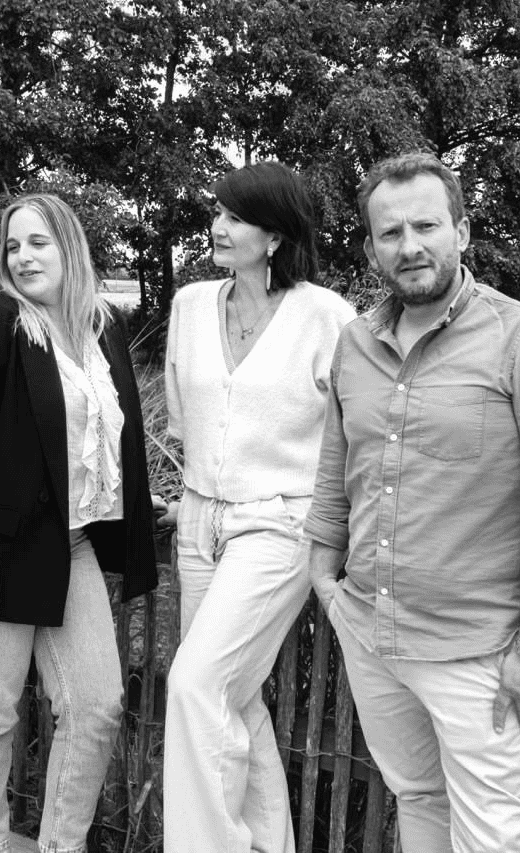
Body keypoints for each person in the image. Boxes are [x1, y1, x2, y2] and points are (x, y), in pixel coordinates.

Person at [301, 151, 520, 852]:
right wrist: (323, 578)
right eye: (390, 232)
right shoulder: (355, 342)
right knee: (417, 798)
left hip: (478, 650)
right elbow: (336, 466)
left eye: (426, 226)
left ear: (461, 232)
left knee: (495, 832)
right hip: (371, 632)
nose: (409, 246)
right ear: (370, 249)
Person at [0, 193, 159, 853]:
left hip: (68, 545)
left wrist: (135, 507)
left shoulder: (101, 329)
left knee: (97, 705)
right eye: (12, 246)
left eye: (37, 242)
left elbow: (110, 437)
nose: (22, 257)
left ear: (69, 247)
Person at [161, 161, 357, 853]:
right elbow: (184, 417)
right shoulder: (190, 305)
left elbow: (351, 436)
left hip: (278, 523)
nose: (218, 226)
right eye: (218, 212)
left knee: (196, 686)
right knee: (232, 700)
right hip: (197, 521)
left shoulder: (327, 316)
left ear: (274, 236)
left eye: (237, 217)